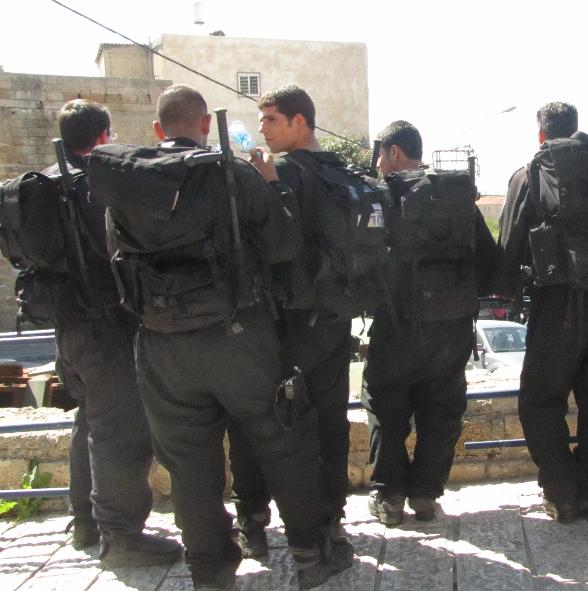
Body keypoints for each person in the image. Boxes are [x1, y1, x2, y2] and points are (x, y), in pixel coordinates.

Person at [88, 85, 350, 590]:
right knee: (284, 437)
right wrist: (274, 188)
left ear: (158, 130)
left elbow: (115, 259)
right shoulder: (230, 173)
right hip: (238, 336)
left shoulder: (125, 186)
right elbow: (283, 245)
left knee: (189, 464)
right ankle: (311, 552)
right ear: (206, 124)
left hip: (162, 343)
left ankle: (210, 570)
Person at [43, 100, 182, 566]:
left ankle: (86, 521)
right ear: (103, 137)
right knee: (122, 431)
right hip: (106, 327)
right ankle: (121, 538)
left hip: (68, 329)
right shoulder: (92, 187)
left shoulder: (46, 183)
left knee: (91, 421)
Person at [226, 84, 362, 556]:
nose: (262, 129)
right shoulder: (342, 173)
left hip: (283, 320)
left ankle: (253, 518)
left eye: (270, 119)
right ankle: (331, 518)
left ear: (298, 121)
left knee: (259, 418)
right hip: (334, 317)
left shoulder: (280, 173)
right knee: (330, 420)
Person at [496, 102, 588, 523]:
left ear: (541, 135)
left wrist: (505, 290)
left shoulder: (530, 174)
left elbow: (509, 243)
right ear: (575, 129)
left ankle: (561, 491)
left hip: (558, 302)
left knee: (541, 398)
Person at [362, 120, 496, 525]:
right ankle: (425, 494)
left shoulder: (385, 195)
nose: (379, 164)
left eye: (381, 155)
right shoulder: (457, 195)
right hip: (452, 326)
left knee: (384, 403)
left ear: (394, 152)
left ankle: (389, 495)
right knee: (442, 409)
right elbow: (489, 262)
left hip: (397, 324)